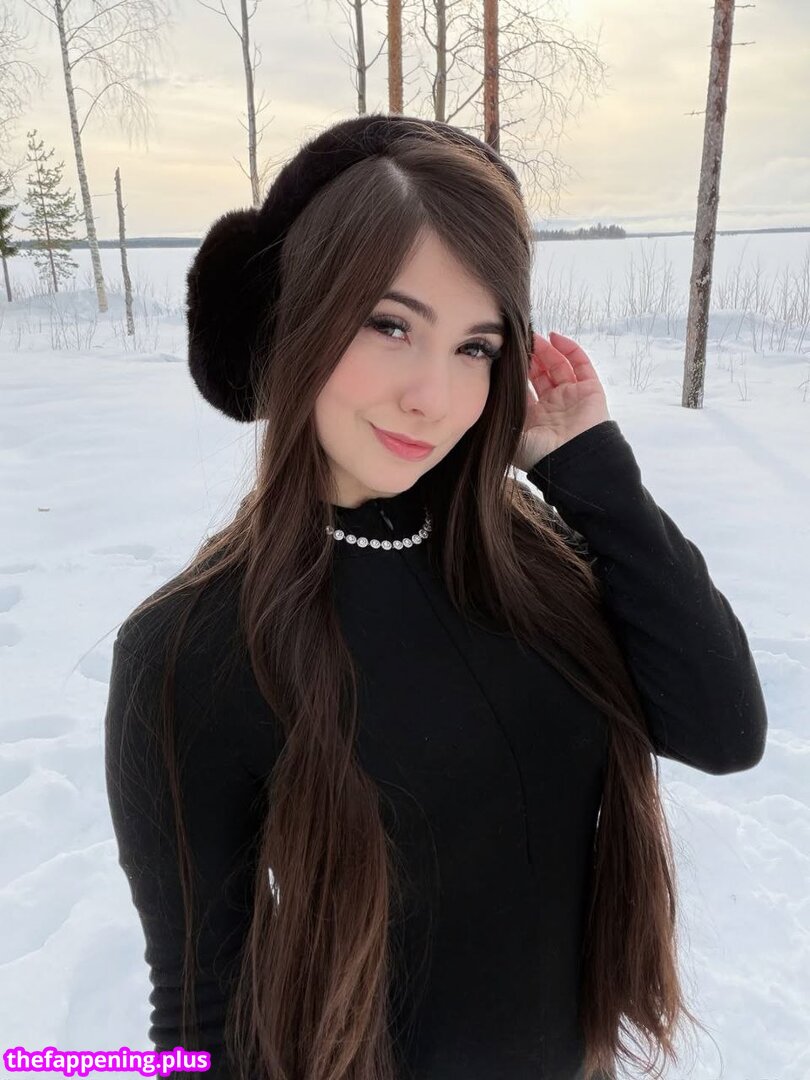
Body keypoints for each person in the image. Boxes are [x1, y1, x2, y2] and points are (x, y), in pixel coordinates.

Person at [103, 114, 768, 1080]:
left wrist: (592, 473)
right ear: (297, 317)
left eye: (475, 347)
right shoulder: (192, 648)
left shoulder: (533, 562)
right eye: (391, 325)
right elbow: (201, 1006)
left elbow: (723, 730)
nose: (435, 396)